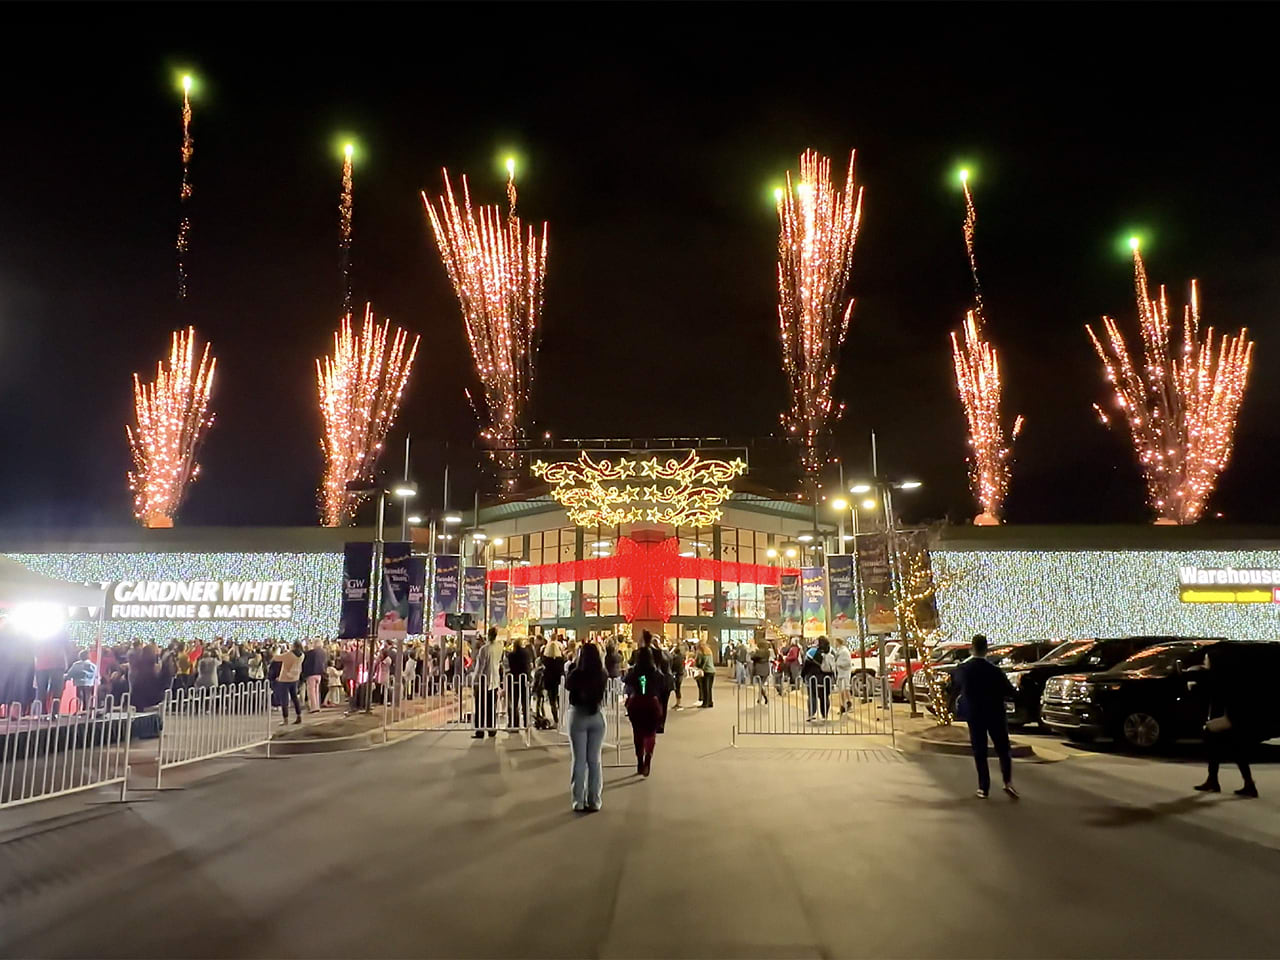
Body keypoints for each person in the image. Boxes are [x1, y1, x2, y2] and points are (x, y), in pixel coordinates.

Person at [951, 634, 1018, 799]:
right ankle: (1007, 781)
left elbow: (953, 687)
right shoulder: (995, 670)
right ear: (987, 649)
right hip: (995, 712)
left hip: (975, 714)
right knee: (1003, 748)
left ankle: (983, 787)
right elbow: (1010, 691)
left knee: (980, 750)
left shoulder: (964, 669)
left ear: (971, 649)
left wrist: (951, 706)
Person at [1196, 647, 1260, 797]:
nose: (1205, 661)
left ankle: (1214, 781)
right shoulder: (1229, 676)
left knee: (1214, 744)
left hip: (1227, 719)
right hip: (1233, 719)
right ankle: (1246, 783)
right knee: (1236, 751)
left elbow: (1210, 695)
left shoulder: (1217, 678)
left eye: (1207, 659)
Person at [565, 642, 608, 811]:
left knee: (579, 760)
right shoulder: (602, 673)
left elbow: (568, 686)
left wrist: (575, 662)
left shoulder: (576, 673)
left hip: (578, 716)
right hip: (597, 715)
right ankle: (595, 800)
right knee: (594, 760)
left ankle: (578, 801)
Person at [624, 646, 667, 776]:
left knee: (638, 732)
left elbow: (626, 682)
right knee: (650, 732)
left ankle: (639, 760)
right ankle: (648, 757)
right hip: (651, 703)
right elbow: (663, 687)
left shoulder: (633, 672)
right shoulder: (656, 673)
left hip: (636, 702)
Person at [472, 628, 504, 739]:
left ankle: (479, 731)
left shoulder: (484, 649)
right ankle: (491, 729)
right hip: (494, 680)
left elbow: (480, 667)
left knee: (480, 706)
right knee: (491, 706)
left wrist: (475, 680)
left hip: (483, 681)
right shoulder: (500, 648)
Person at [273, 641, 304, 725]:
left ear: (293, 646)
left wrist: (278, 649)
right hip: (295, 678)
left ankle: (285, 719)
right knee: (295, 698)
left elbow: (276, 657)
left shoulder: (289, 655)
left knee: (284, 700)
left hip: (285, 679)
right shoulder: (301, 655)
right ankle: (299, 716)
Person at [506, 637, 533, 731]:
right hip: (525, 680)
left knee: (514, 703)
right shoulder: (527, 653)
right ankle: (526, 723)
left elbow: (510, 666)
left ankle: (514, 723)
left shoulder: (511, 655)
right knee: (525, 702)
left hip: (515, 680)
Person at [540, 636, 567, 725]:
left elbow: (541, 659)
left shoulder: (546, 660)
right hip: (559, 682)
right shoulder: (560, 659)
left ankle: (556, 719)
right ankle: (562, 719)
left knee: (552, 702)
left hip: (549, 682)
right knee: (560, 701)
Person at [302, 638, 326, 712]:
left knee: (311, 691)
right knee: (317, 691)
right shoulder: (323, 652)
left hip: (311, 673)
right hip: (319, 673)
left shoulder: (311, 653)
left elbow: (305, 660)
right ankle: (317, 706)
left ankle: (313, 707)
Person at [832, 637, 854, 715]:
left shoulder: (844, 651)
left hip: (845, 673)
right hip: (840, 673)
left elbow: (848, 663)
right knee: (841, 690)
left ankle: (849, 704)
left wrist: (839, 664)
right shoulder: (839, 651)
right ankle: (843, 705)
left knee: (846, 689)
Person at [750, 636, 772, 704]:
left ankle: (764, 697)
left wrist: (753, 651)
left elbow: (752, 657)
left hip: (758, 669)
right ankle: (760, 698)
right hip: (766, 669)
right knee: (761, 684)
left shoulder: (758, 652)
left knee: (760, 685)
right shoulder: (768, 652)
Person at [694, 642, 716, 708]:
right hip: (712, 671)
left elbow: (699, 662)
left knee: (704, 688)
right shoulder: (709, 651)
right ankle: (710, 702)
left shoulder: (700, 653)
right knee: (709, 688)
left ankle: (705, 703)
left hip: (705, 672)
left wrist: (696, 664)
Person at [668, 641, 685, 710]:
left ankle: (678, 704)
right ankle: (678, 703)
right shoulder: (681, 657)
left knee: (677, 689)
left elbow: (672, 666)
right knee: (677, 689)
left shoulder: (674, 658)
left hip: (676, 674)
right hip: (680, 673)